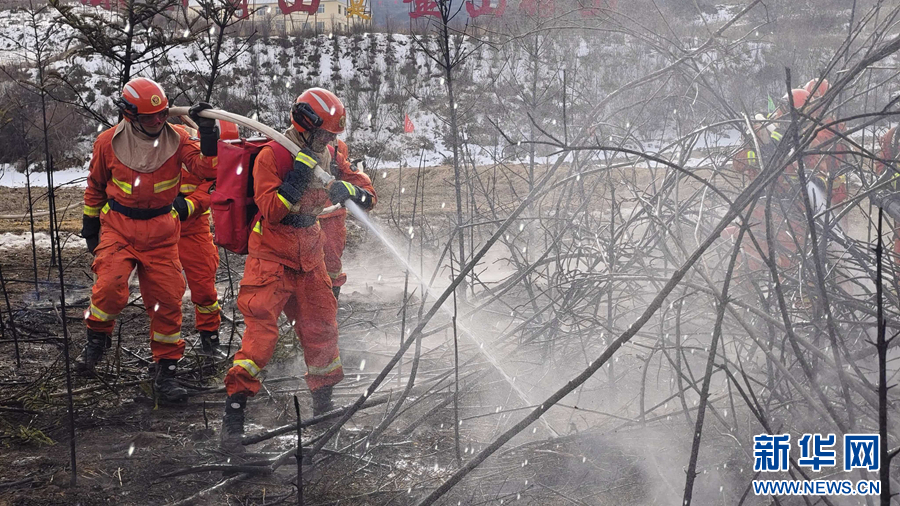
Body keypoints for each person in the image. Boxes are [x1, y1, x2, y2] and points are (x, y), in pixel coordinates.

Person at [220, 88, 373, 451]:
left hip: (310, 252)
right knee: (260, 340)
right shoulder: (273, 156)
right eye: (324, 134)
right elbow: (272, 211)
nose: (329, 140)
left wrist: (352, 192)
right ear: (305, 125)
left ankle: (323, 411)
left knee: (322, 330)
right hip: (271, 256)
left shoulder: (332, 153)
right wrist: (298, 178)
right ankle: (233, 422)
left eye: (333, 135)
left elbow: (367, 193)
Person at [77, 77, 218, 403]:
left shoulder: (179, 138)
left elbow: (207, 171)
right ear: (130, 115)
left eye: (162, 115)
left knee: (167, 302)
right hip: (119, 228)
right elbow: (95, 186)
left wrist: (209, 134)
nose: (157, 122)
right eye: (149, 117)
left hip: (162, 233)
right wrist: (90, 227)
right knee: (109, 286)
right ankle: (96, 341)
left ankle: (165, 372)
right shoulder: (107, 143)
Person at [172, 121, 240, 355]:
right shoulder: (176, 141)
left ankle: (210, 340)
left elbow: (214, 185)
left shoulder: (220, 161)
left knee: (204, 287)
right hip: (160, 228)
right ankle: (165, 350)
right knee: (165, 290)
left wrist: (189, 205)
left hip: (194, 228)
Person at [319, 139, 377, 299]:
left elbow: (369, 194)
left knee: (331, 264)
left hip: (332, 216)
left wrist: (353, 191)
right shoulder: (286, 147)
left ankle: (329, 303)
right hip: (301, 219)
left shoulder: (335, 151)